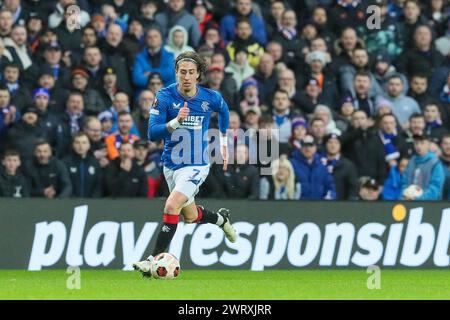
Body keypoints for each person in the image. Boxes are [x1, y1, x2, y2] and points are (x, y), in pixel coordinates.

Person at [133, 51, 236, 277]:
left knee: (171, 206)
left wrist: (224, 140)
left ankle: (151, 260)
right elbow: (152, 133)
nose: (186, 77)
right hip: (171, 165)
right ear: (176, 73)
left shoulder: (210, 97)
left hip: (197, 164)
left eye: (191, 72)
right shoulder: (164, 96)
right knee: (189, 216)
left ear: (199, 74)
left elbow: (224, 109)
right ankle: (221, 219)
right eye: (182, 72)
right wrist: (175, 122)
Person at [289, 135, 336, 200]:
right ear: (300, 147)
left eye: (311, 145)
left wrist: (328, 200)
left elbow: (330, 187)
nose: (308, 148)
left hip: (319, 206)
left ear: (315, 147)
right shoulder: (291, 164)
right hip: (297, 205)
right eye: (305, 145)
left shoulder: (322, 166)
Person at [401, 134, 445, 200]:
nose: (418, 146)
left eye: (422, 143)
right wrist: (405, 194)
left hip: (429, 206)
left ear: (428, 145)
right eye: (416, 143)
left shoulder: (435, 163)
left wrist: (418, 199)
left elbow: (436, 188)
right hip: (409, 203)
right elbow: (404, 183)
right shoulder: (411, 162)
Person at [63, 132, 103, 198]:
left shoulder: (95, 163)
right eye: (77, 142)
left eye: (84, 143)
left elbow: (98, 186)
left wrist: (94, 201)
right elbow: (65, 185)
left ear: (89, 145)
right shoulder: (65, 163)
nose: (81, 146)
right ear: (73, 145)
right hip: (70, 203)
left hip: (92, 203)